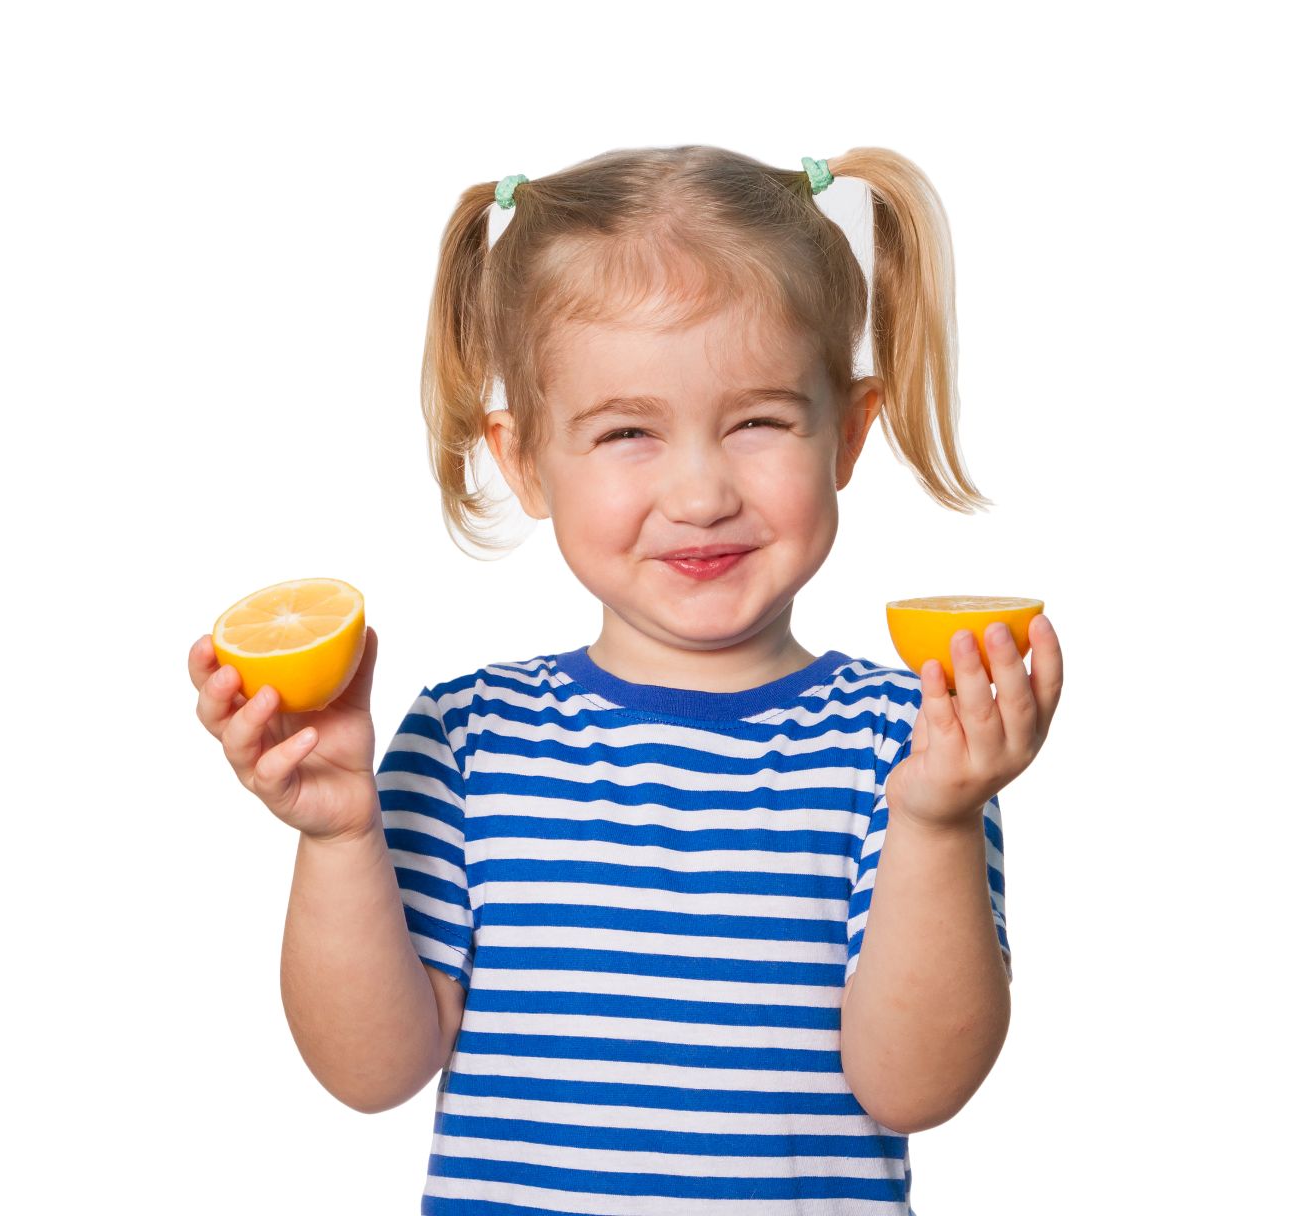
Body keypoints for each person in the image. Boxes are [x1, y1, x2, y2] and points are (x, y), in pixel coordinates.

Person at [188, 144, 1063, 1214]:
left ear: (847, 431)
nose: (700, 493)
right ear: (522, 460)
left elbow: (913, 1088)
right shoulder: (467, 738)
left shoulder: (908, 747)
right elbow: (371, 1073)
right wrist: (334, 838)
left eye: (756, 421)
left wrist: (935, 824)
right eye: (626, 433)